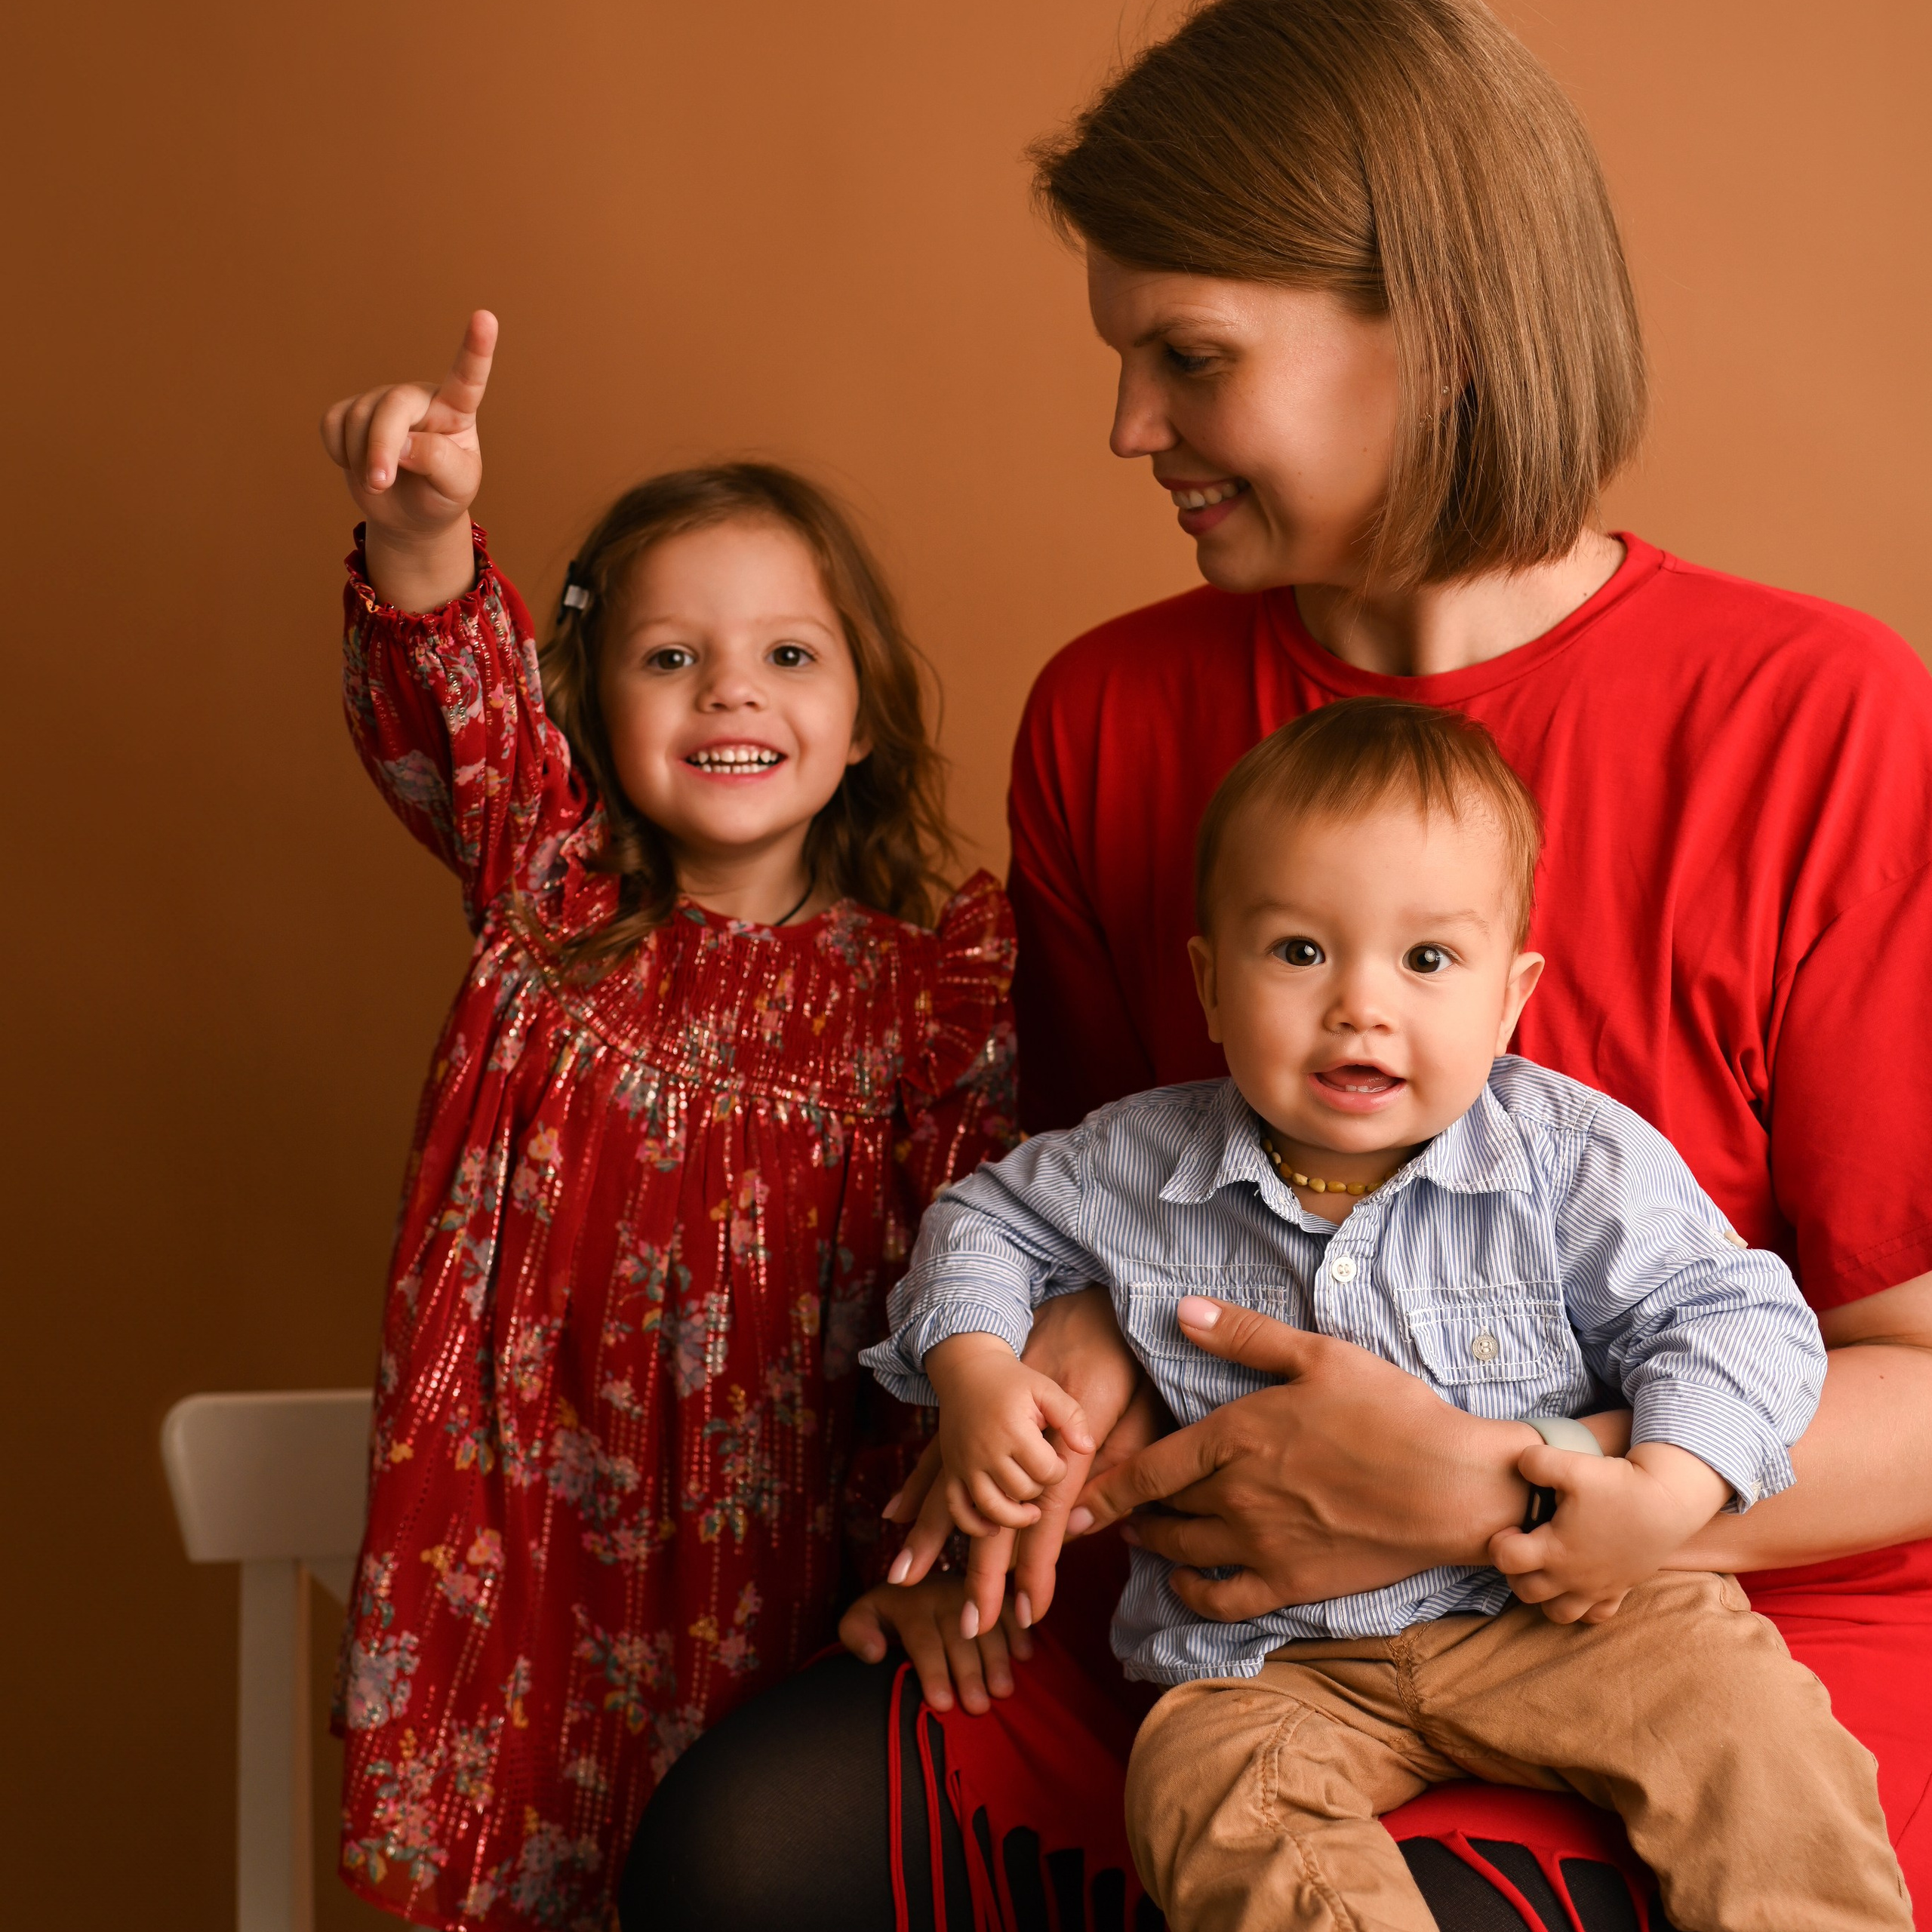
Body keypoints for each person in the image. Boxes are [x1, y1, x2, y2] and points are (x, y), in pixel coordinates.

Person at [620, 2, 1932, 1926]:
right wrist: (1029, 1434)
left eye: (1191, 357)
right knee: (744, 1848)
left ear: (1440, 330)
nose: (1128, 425)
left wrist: (1494, 1482)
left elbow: (1916, 1370)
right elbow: (1114, 1201)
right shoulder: (1106, 713)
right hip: (1244, 1624)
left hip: (1684, 1614)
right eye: (1122, 357)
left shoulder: (1817, 719)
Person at [864, 698, 1907, 1930]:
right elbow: (978, 1224)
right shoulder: (1132, 1161)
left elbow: (1735, 1318)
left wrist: (1668, 1489)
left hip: (1564, 1618)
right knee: (1201, 1791)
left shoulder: (1568, 1159)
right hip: (1273, 1662)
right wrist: (976, 1364)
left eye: (1426, 961)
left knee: (1749, 1731)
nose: (1361, 1004)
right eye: (1300, 951)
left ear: (1510, 996)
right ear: (1209, 982)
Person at [318, 313, 1016, 1930]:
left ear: (863, 712)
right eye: (668, 657)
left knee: (749, 1875)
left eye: (790, 654)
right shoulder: (546, 901)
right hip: (536, 1572)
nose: (729, 689)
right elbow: (453, 704)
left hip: (794, 1581)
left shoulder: (930, 1009)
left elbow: (971, 1305)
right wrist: (420, 530)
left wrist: (931, 1580)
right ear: (591, 704)